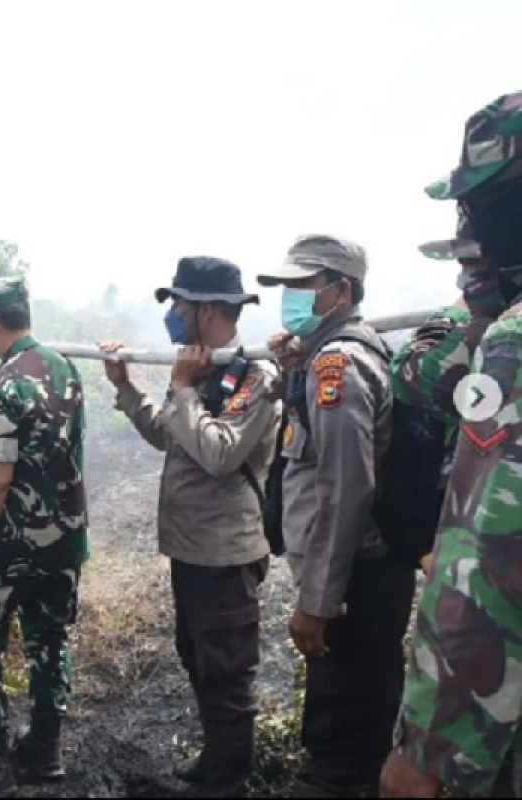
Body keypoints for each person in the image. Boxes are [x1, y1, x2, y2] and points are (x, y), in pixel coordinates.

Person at [382, 90, 522, 799]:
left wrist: (431, 745)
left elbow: (493, 557)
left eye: (480, 201)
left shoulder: (512, 339)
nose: (469, 224)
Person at [99, 256, 279, 797]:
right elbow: (170, 435)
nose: (173, 315)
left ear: (207, 309)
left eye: (180, 304)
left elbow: (220, 454)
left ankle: (228, 784)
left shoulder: (256, 376)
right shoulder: (207, 373)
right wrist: (127, 388)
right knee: (196, 654)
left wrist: (181, 387)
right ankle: (214, 760)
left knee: (227, 670)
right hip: (192, 549)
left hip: (225, 552)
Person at [259, 236, 416, 798]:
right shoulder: (330, 354)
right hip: (363, 576)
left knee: (340, 753)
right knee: (358, 723)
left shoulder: (338, 364)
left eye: (302, 287)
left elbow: (344, 488)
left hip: (354, 585)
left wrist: (318, 603)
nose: (290, 300)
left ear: (339, 290)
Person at [0, 277, 89, 798]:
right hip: (65, 545)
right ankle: (45, 756)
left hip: (10, 552)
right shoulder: (62, 368)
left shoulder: (3, 388)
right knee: (49, 643)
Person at [391, 210, 505, 575]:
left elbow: (414, 375)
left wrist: (452, 315)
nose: (466, 277)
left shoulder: (495, 333)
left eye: (474, 265)